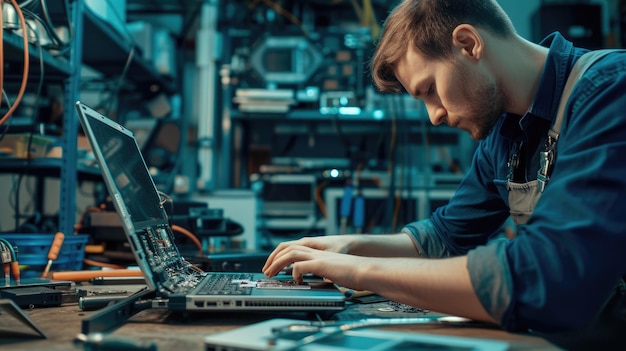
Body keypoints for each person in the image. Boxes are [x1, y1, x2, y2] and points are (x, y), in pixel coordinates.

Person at [262, 0, 626, 345]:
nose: (433, 116)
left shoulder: (609, 92)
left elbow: (545, 277)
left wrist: (358, 270)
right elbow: (444, 239)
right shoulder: (504, 134)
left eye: (431, 90)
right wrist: (346, 247)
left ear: (468, 44)